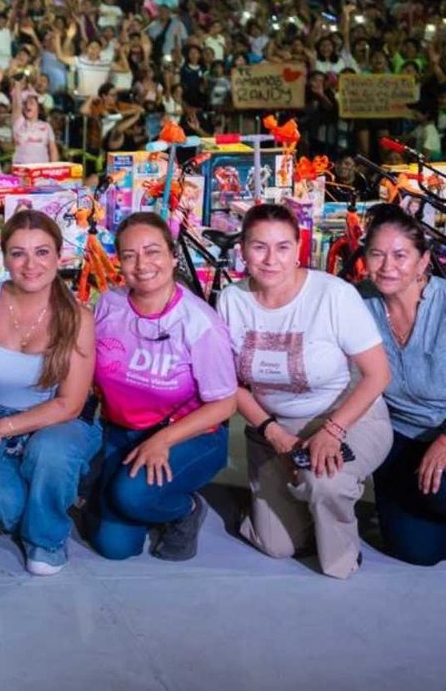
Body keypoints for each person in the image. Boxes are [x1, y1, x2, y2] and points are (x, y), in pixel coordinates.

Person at [218, 203, 393, 579]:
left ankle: (342, 555)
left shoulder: (333, 295)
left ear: (298, 247)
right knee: (275, 545)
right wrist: (273, 433)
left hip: (348, 416)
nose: (270, 259)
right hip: (275, 427)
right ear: (243, 249)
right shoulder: (232, 299)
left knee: (324, 482)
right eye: (258, 246)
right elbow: (229, 384)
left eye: (282, 247)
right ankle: (311, 507)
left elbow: (377, 375)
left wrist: (333, 431)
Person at [89, 213, 238, 561]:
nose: (142, 264)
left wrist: (162, 441)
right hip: (120, 432)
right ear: (120, 263)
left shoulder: (199, 323)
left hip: (187, 435)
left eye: (153, 251)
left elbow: (225, 404)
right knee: (114, 547)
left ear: (173, 257)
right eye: (129, 255)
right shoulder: (109, 306)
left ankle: (184, 510)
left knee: (132, 497)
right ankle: (122, 489)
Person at [0, 210, 99, 576]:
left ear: (59, 256)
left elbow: (69, 404)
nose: (30, 264)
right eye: (18, 253)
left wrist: (1, 429)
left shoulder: (77, 318)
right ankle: (45, 499)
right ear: (3, 256)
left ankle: (46, 539)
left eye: (42, 252)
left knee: (51, 452)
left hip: (58, 420)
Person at [358, 205, 446, 565]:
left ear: (423, 261)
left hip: (443, 430)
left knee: (441, 496)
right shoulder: (360, 302)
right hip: (396, 434)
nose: (387, 266)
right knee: (416, 551)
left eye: (400, 255)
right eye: (377, 254)